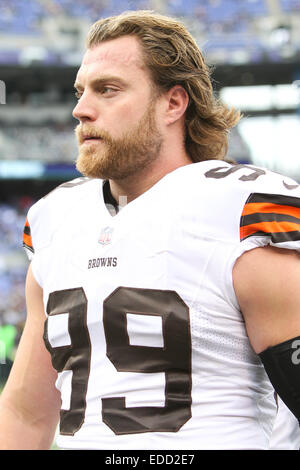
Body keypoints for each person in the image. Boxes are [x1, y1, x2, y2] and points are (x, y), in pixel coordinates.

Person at [0, 10, 300, 450]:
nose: (80, 109)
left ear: (173, 103)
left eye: (108, 90)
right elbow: (26, 413)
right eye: (81, 91)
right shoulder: (55, 219)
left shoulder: (238, 213)